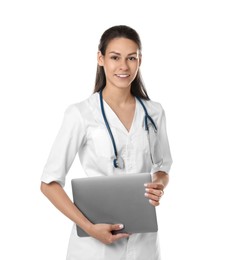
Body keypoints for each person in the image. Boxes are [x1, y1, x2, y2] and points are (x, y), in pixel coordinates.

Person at [41, 25, 172, 260]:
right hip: (95, 246)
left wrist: (159, 184)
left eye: (131, 58)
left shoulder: (154, 112)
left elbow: (163, 166)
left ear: (140, 61)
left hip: (144, 245)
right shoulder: (80, 114)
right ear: (100, 59)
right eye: (115, 57)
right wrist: (90, 228)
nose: (124, 66)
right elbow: (49, 183)